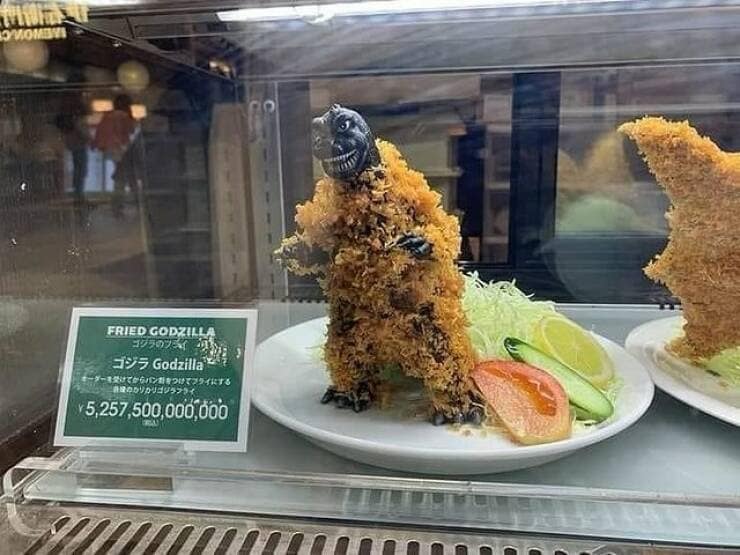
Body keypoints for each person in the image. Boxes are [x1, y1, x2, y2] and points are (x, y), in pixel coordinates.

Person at [92, 94, 136, 217]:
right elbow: (131, 130)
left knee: (120, 176)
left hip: (110, 149)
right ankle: (119, 205)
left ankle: (118, 205)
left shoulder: (107, 116)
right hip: (121, 149)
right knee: (122, 178)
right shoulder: (124, 116)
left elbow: (99, 132)